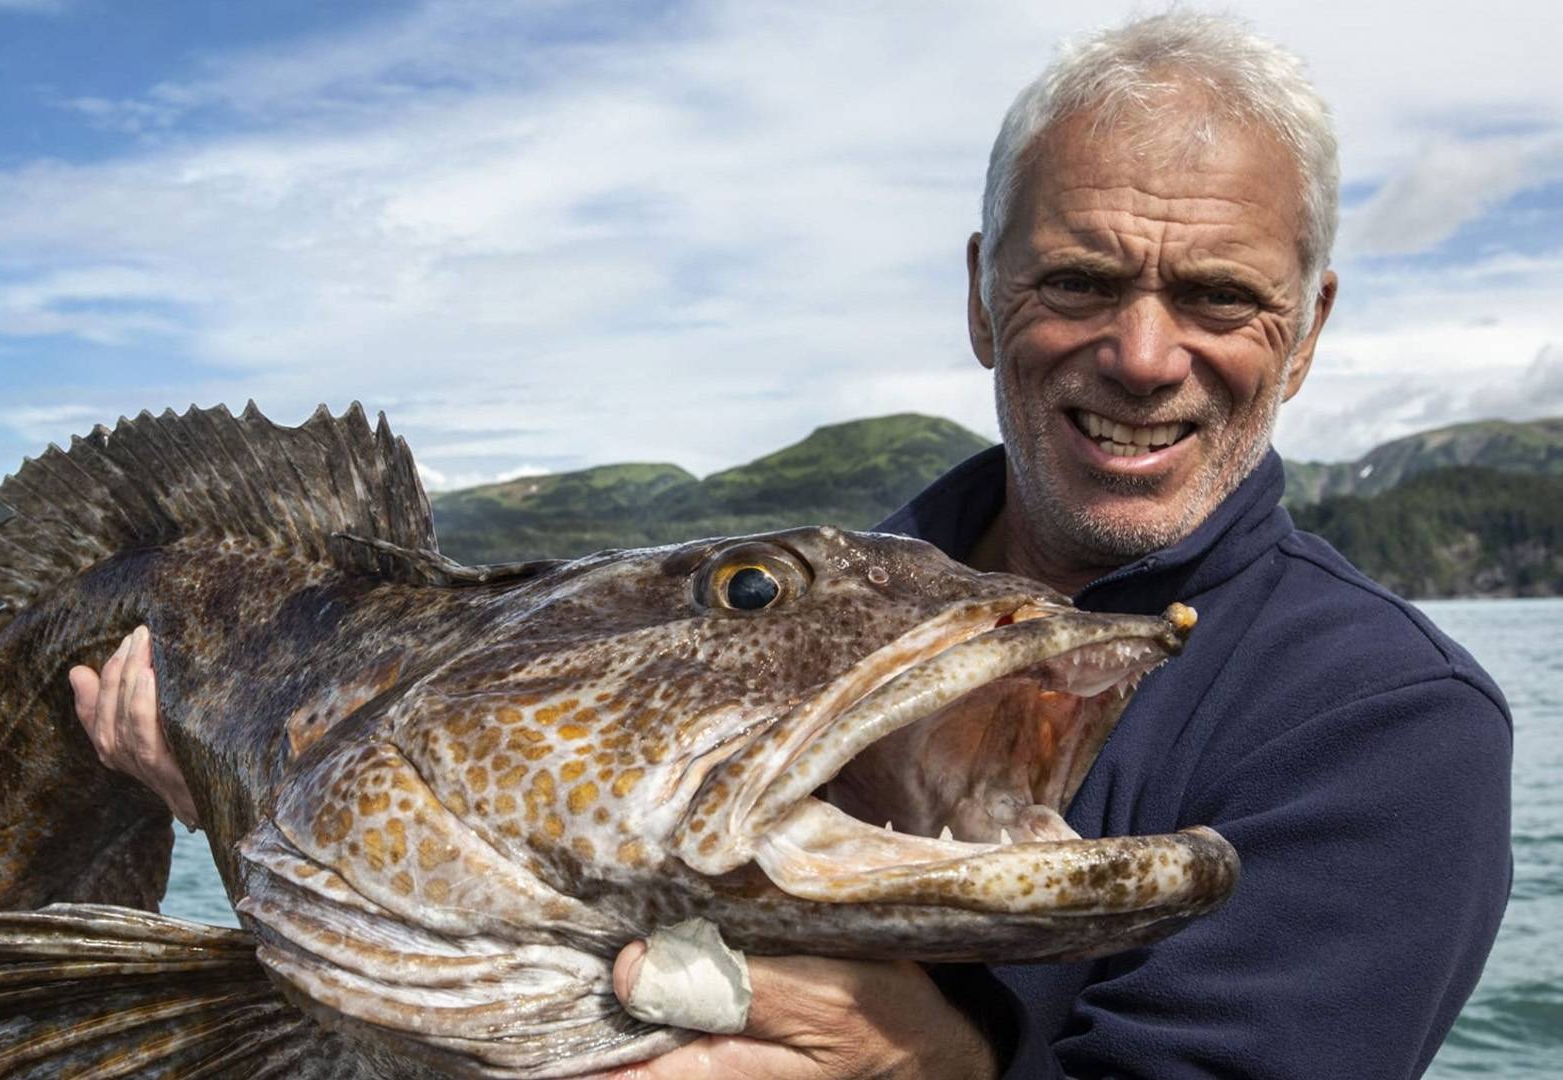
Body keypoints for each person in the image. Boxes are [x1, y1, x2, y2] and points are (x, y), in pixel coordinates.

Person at [73, 11, 1512, 1077]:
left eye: (1217, 297)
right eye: (1078, 279)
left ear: (1308, 332)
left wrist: (926, 1066)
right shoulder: (831, 600)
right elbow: (449, 853)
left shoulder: (1391, 728)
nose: (1144, 355)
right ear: (980, 296)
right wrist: (233, 774)